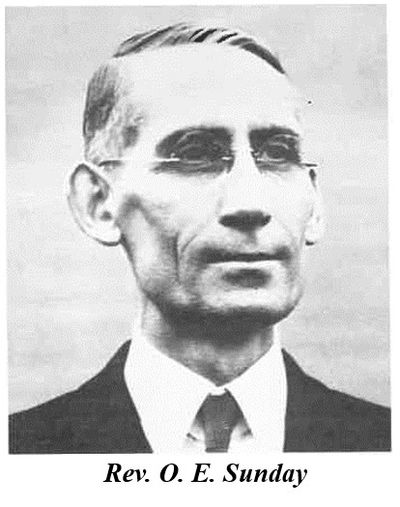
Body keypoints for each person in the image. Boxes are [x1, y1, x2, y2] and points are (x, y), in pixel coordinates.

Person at [9, 23, 390, 453]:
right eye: (194, 154)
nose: (250, 203)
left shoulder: (381, 446)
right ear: (98, 202)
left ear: (315, 204)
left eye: (278, 154)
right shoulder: (24, 454)